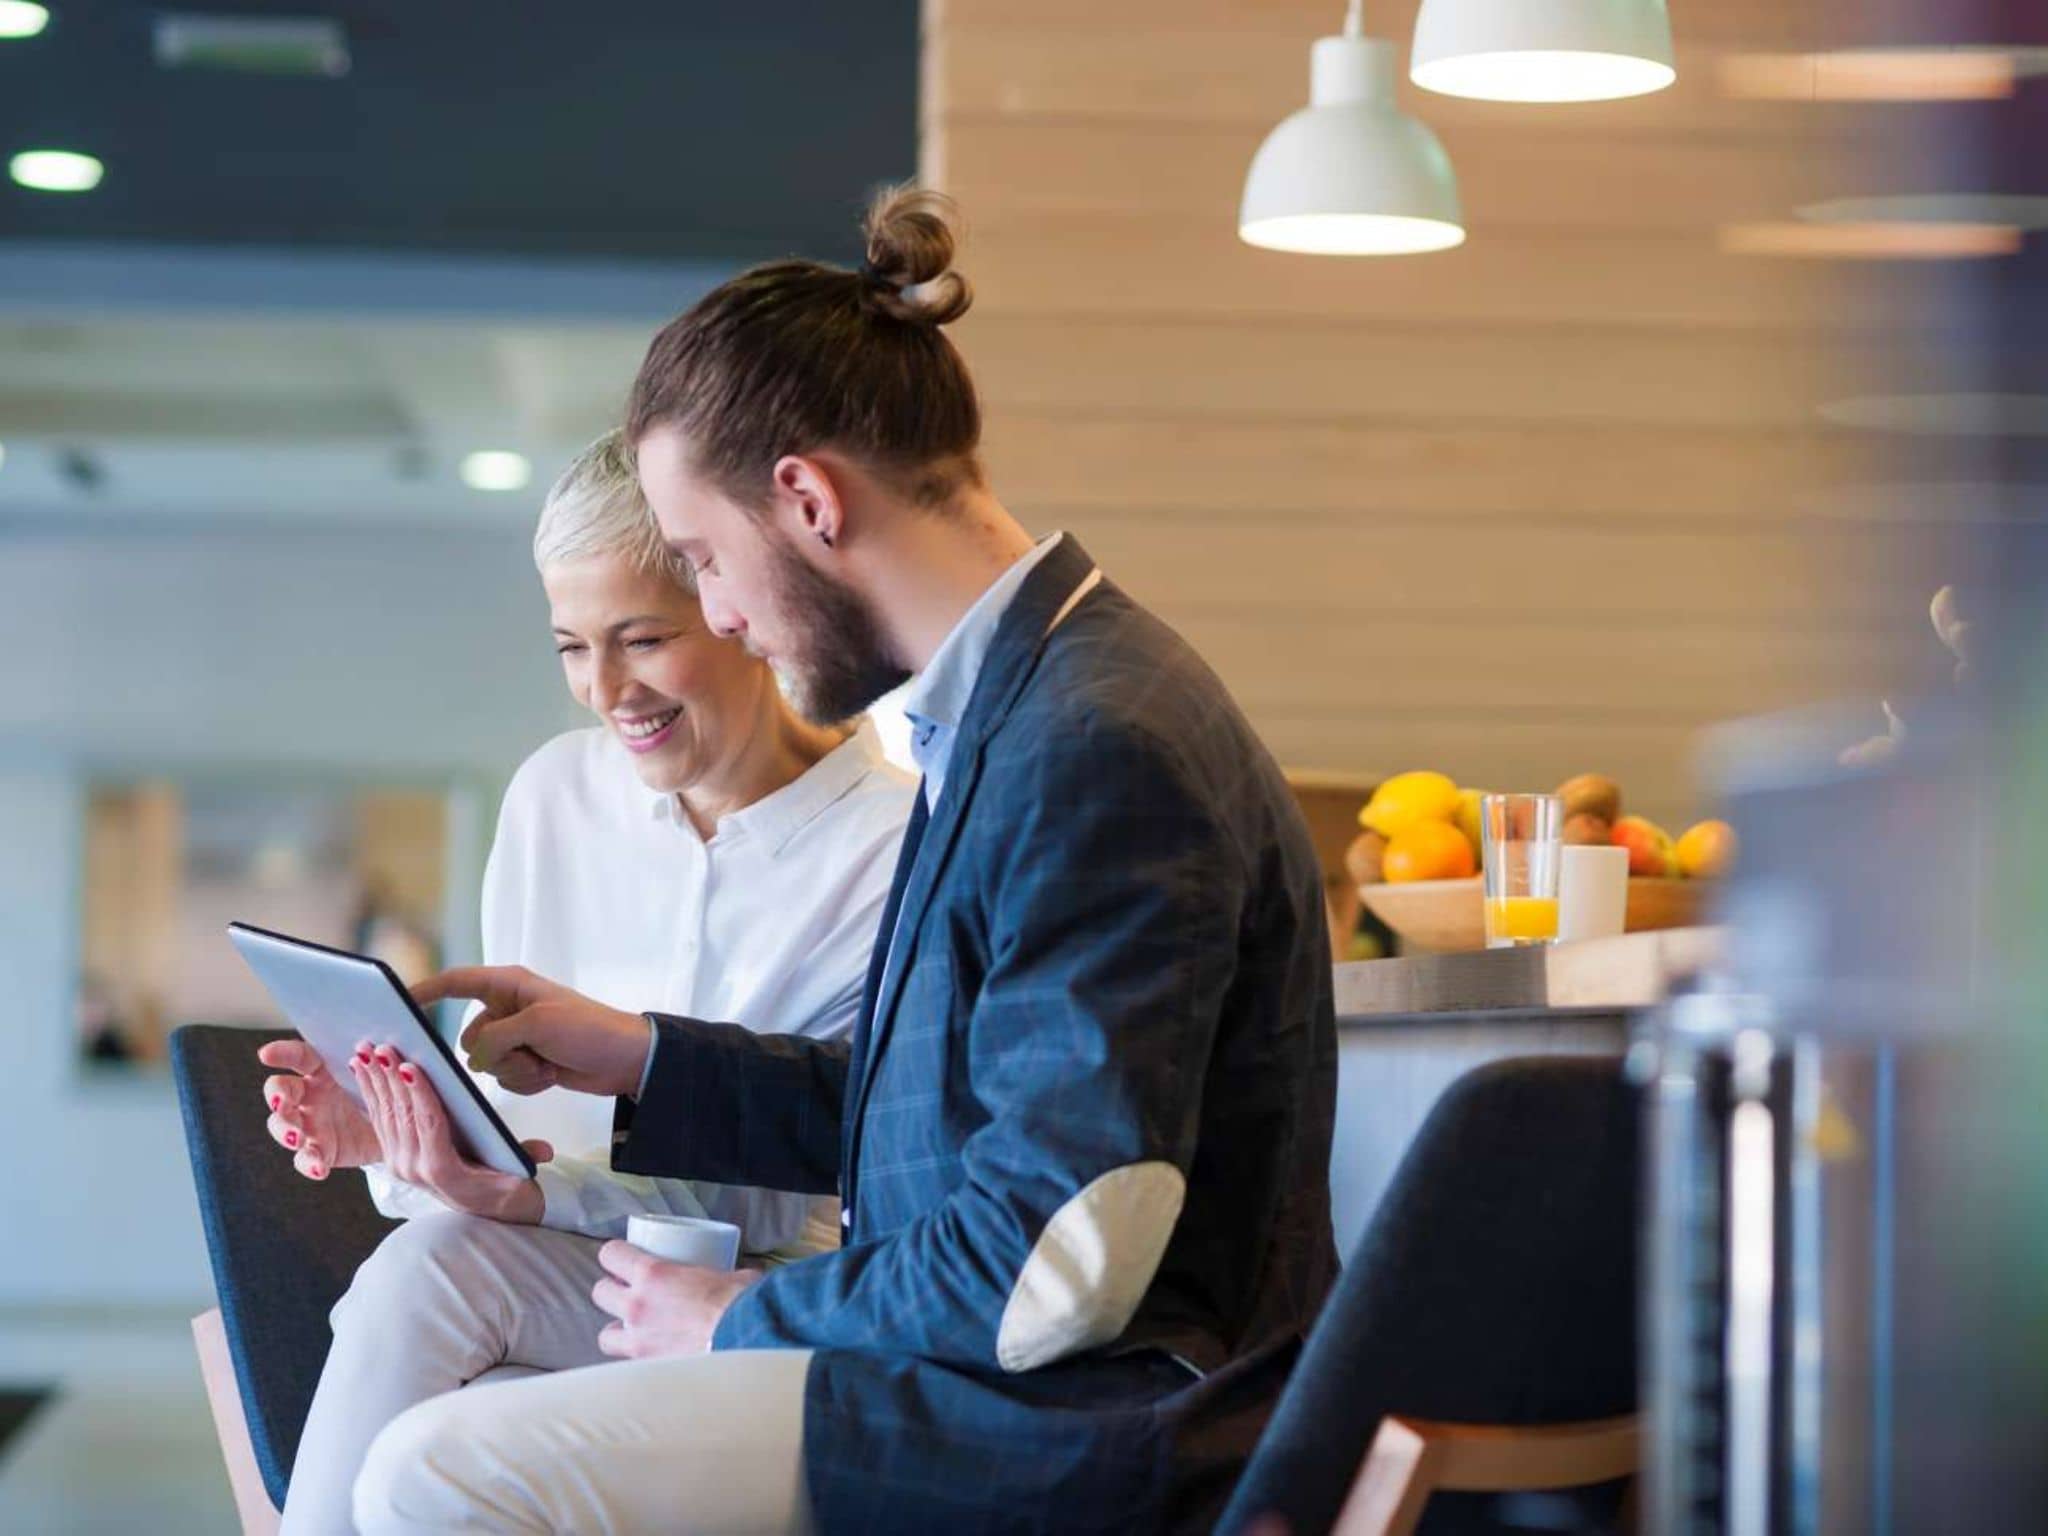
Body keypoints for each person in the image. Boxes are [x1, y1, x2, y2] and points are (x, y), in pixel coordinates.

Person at [355, 184, 1339, 1535]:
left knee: (442, 1473)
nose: (721, 616)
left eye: (703, 560)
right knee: (439, 1288)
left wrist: (751, 1314)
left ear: (806, 500)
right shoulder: (1024, 702)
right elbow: (922, 1121)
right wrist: (642, 1057)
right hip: (987, 1369)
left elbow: (1062, 1255)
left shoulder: (1092, 741)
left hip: (1083, 1418)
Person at [256, 431, 912, 1534]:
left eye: (641, 639)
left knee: (449, 1352)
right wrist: (403, 1136)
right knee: (440, 1286)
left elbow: (773, 1198)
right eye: (570, 646)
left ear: (739, 604)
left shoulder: (890, 851)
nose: (604, 692)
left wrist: (524, 1194)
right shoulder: (555, 796)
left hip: (750, 1310)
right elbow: (511, 1137)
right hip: (548, 1269)